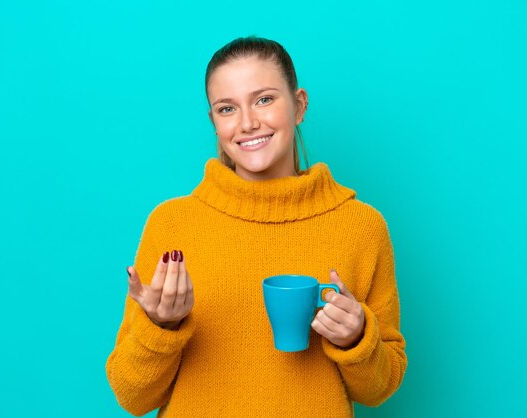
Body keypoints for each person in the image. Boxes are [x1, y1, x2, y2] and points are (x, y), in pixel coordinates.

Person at [105, 36, 407, 417]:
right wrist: (160, 327)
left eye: (264, 99)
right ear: (214, 122)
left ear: (299, 105)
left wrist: (357, 338)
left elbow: (380, 389)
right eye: (227, 108)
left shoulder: (361, 226)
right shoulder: (171, 224)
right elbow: (133, 397)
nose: (248, 123)